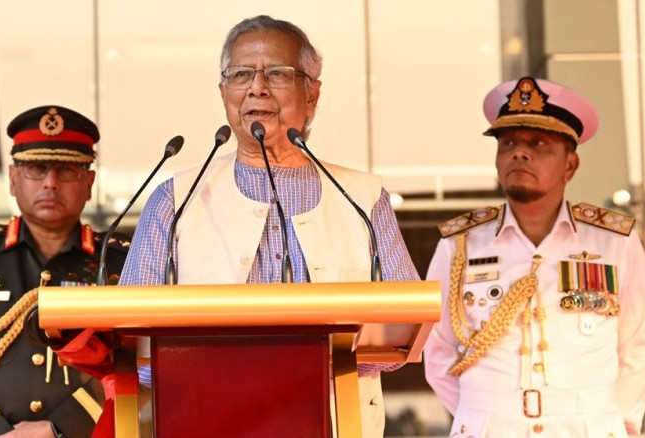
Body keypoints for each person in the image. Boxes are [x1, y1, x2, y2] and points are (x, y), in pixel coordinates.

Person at [119, 15, 420, 437]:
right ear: (224, 92)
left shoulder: (362, 197)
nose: (257, 87)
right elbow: (131, 340)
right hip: (209, 420)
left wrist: (309, 364)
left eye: (277, 73)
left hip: (337, 420)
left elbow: (405, 324)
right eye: (241, 74)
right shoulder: (176, 199)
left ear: (311, 93)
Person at [423, 77, 645, 437]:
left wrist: (611, 423)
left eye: (538, 143)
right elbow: (437, 351)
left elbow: (639, 351)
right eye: (508, 143)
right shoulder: (460, 244)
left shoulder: (614, 242)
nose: (519, 153)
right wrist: (478, 415)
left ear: (570, 166)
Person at [0, 105, 129, 437]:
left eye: (66, 170)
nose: (50, 183)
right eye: (36, 169)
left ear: (89, 183)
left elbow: (134, 362)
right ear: (13, 179)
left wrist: (61, 427)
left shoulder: (119, 263)